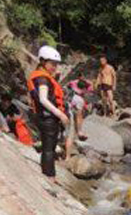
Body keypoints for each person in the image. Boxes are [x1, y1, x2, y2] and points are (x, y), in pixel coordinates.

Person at [27, 45, 67, 177]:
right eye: (52, 64)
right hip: (47, 118)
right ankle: (50, 176)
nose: (54, 67)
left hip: (46, 117)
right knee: (49, 150)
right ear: (43, 61)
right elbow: (43, 100)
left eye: (56, 64)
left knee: (48, 148)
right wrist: (60, 114)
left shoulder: (41, 76)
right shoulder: (42, 78)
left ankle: (48, 174)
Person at [64, 78, 90, 157]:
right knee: (70, 136)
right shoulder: (79, 99)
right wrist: (79, 131)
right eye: (86, 89)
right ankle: (67, 157)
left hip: (58, 113)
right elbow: (78, 116)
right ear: (84, 89)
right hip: (67, 116)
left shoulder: (68, 91)